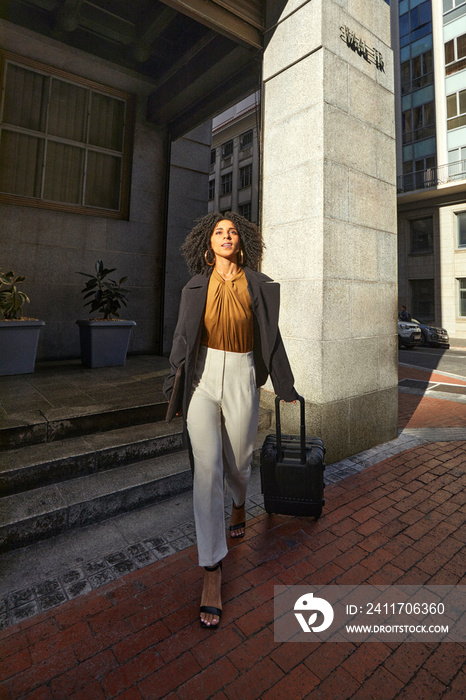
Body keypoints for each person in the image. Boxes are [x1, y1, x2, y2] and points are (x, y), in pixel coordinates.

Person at [163, 211, 298, 629]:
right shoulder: (194, 286)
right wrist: (175, 383)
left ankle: (240, 503)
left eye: (232, 231)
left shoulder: (258, 284)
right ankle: (212, 570)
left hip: (241, 374)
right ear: (208, 245)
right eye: (219, 232)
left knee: (239, 461)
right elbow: (183, 338)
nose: (226, 236)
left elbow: (271, 338)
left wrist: (286, 385)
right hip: (201, 380)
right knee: (206, 469)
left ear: (242, 243)